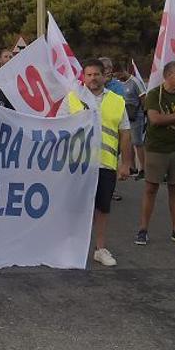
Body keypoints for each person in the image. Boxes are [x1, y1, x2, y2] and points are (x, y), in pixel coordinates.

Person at [64, 59, 132, 267]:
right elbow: (60, 127)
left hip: (106, 163)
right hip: (79, 164)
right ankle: (71, 248)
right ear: (83, 77)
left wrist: (126, 163)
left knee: (102, 207)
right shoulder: (73, 98)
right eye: (89, 75)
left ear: (105, 76)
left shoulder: (117, 101)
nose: (93, 78)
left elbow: (125, 133)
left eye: (96, 74)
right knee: (75, 207)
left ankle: (100, 249)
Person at [136, 61, 175, 248]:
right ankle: (143, 229)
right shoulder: (154, 95)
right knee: (151, 188)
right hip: (156, 148)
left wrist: (168, 119)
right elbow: (154, 119)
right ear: (168, 76)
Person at [116, 63, 146, 179]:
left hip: (136, 115)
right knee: (129, 141)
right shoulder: (119, 83)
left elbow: (143, 98)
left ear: (123, 71)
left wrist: (144, 114)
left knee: (137, 142)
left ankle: (143, 168)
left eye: (119, 74)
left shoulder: (134, 82)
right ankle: (132, 167)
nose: (118, 77)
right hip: (125, 115)